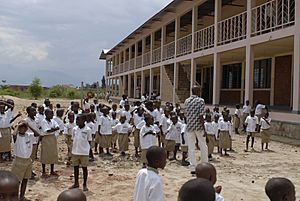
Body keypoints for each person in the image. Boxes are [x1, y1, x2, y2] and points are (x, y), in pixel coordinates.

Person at [12, 121, 40, 201]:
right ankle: (14, 197)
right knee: (16, 181)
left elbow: (37, 134)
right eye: (21, 127)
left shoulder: (29, 136)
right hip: (19, 161)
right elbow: (14, 134)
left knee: (25, 179)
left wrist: (29, 125)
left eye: (24, 127)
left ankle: (22, 196)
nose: (23, 129)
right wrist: (18, 125)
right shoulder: (16, 137)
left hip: (28, 160)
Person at [184, 85, 208, 171]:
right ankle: (204, 164)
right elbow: (201, 116)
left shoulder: (186, 101)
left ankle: (193, 167)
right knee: (203, 145)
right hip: (198, 126)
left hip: (190, 126)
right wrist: (204, 129)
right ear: (198, 92)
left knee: (191, 147)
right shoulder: (200, 101)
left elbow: (186, 114)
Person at [69, 114, 92, 192]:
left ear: (84, 120)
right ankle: (76, 183)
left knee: (84, 168)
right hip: (75, 151)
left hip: (84, 152)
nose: (77, 121)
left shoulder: (88, 129)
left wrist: (89, 152)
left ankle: (84, 184)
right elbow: (73, 139)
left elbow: (89, 140)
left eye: (78, 120)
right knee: (75, 168)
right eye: (76, 120)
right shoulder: (74, 129)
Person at [40, 109, 60, 178]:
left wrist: (53, 129)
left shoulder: (52, 120)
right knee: (45, 154)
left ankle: (52, 170)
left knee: (52, 154)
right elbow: (47, 130)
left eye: (52, 114)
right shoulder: (43, 121)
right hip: (46, 138)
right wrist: (54, 129)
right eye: (50, 114)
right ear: (46, 114)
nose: (51, 115)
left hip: (52, 138)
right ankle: (43, 171)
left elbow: (57, 126)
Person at [24, 106, 41, 178]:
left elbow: (38, 128)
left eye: (35, 110)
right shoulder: (26, 120)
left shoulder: (36, 120)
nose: (35, 112)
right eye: (33, 111)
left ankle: (30, 170)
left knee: (33, 157)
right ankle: (28, 172)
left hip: (35, 141)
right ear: (28, 112)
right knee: (29, 157)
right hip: (29, 141)